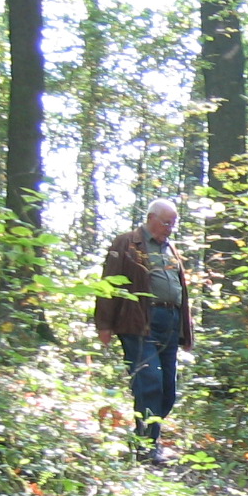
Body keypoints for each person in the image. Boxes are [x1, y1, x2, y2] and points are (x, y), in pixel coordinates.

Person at [94, 199, 194, 464]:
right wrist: (104, 325)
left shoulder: (170, 249)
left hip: (170, 322)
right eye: (166, 222)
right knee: (149, 380)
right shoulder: (127, 243)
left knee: (168, 390)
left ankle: (146, 435)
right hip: (139, 321)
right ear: (151, 218)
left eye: (173, 223)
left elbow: (179, 291)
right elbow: (108, 284)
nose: (170, 228)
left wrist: (186, 331)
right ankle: (147, 446)